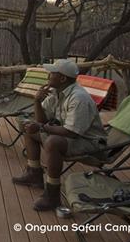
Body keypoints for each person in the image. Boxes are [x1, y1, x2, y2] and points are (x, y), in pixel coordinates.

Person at [12, 59, 107, 211]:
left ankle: (53, 195)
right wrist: (37, 101)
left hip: (91, 144)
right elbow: (40, 120)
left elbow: (72, 132)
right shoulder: (57, 92)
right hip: (72, 137)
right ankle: (34, 173)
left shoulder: (78, 98)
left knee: (53, 142)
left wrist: (42, 127)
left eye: (52, 73)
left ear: (62, 78)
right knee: (28, 126)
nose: (48, 75)